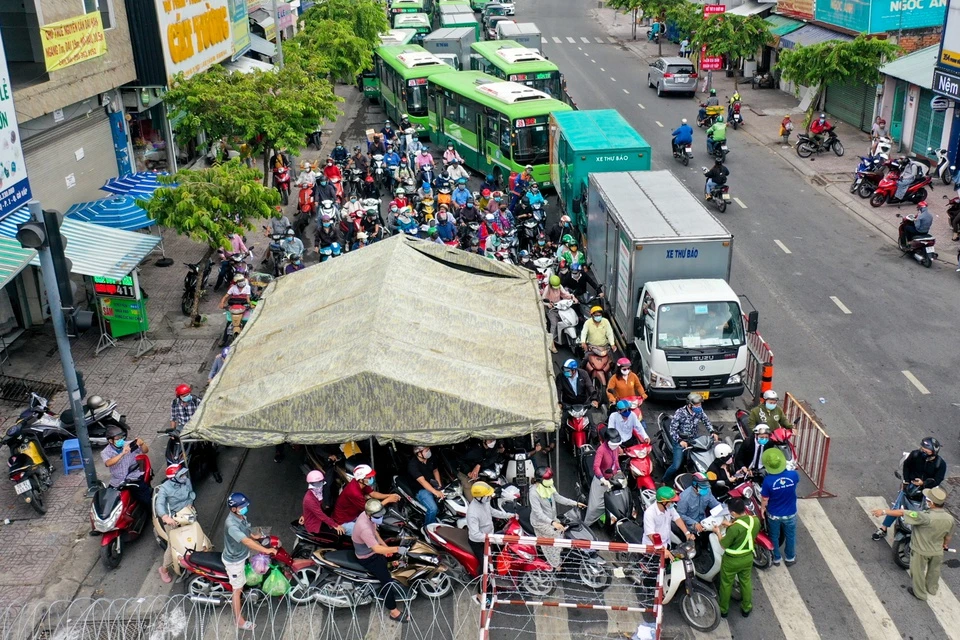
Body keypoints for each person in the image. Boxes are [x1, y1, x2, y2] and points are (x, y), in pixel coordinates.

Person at [871, 486, 955, 601]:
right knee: (934, 571)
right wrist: (944, 545)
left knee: (918, 572)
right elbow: (948, 537)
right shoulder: (949, 519)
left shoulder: (924, 516)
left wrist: (883, 511)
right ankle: (932, 588)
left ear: (931, 503)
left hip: (921, 550)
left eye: (928, 499)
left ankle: (920, 594)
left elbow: (902, 512)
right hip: (937, 551)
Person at [872, 437, 946, 540]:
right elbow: (906, 466)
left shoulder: (940, 464)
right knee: (897, 506)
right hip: (910, 486)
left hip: (927, 490)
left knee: (928, 512)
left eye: (926, 450)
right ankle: (883, 528)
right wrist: (906, 481)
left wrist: (924, 483)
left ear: (934, 451)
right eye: (922, 448)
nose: (923, 450)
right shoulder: (915, 455)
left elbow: (938, 479)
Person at [222, 492, 276, 631]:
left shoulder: (240, 516)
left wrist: (256, 536)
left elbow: (247, 532)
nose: (245, 508)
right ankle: (239, 621)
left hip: (242, 555)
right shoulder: (231, 525)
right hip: (234, 561)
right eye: (242, 506)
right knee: (237, 589)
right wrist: (265, 550)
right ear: (234, 509)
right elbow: (246, 541)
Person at [352, 499, 408, 622]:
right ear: (369, 514)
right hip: (368, 557)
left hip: (373, 549)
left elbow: (375, 533)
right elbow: (376, 549)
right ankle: (393, 611)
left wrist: (386, 547)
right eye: (378, 516)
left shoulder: (367, 515)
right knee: (386, 581)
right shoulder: (364, 528)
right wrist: (397, 549)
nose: (380, 517)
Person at [529, 467, 584, 567]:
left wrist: (575, 503)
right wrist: (552, 523)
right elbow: (538, 513)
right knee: (554, 541)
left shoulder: (549, 486)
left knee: (563, 532)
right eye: (548, 479)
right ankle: (555, 564)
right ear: (540, 480)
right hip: (541, 523)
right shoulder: (533, 493)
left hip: (552, 519)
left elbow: (558, 497)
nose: (550, 481)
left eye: (550, 478)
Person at [715, 497, 760, 618]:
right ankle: (746, 608)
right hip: (748, 557)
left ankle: (723, 610)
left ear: (733, 513)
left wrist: (718, 532)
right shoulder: (754, 521)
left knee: (726, 584)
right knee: (745, 582)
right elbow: (745, 531)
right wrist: (730, 524)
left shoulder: (734, 528)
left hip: (731, 561)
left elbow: (723, 544)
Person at [663, 393, 717, 486]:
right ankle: (664, 480)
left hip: (694, 439)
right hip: (680, 441)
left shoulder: (699, 411)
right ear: (689, 405)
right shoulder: (680, 413)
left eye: (700, 405)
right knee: (676, 466)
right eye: (697, 405)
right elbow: (673, 430)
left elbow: (706, 421)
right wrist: (680, 441)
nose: (699, 407)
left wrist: (712, 432)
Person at [155, 463, 197, 583]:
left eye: (184, 474)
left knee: (194, 537)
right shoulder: (165, 488)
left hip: (188, 514)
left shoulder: (186, 481)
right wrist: (165, 517)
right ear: (173, 478)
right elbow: (160, 504)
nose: (184, 476)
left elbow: (190, 493)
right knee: (173, 545)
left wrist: (190, 503)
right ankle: (163, 569)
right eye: (181, 475)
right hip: (174, 518)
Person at [760, 448, 799, 566]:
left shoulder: (767, 481)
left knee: (774, 535)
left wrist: (762, 509)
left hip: (774, 514)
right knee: (790, 536)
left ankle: (776, 558)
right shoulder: (793, 475)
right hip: (791, 513)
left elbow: (765, 499)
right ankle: (790, 558)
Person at [101, 425, 151, 506]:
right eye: (117, 439)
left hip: (133, 478)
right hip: (117, 481)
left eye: (121, 438)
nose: (120, 440)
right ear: (110, 440)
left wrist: (142, 444)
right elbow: (108, 463)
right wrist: (122, 453)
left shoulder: (129, 445)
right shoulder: (105, 452)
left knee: (146, 501)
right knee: (108, 502)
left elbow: (145, 451)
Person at [466, 482, 512, 563]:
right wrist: (493, 539)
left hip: (489, 536)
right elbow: (475, 535)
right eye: (488, 496)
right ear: (480, 497)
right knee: (485, 565)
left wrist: (509, 515)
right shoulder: (472, 513)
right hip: (479, 543)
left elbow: (493, 512)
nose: (490, 497)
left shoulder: (485, 502)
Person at [585, 427, 622, 527]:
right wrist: (602, 478)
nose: (616, 446)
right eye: (614, 444)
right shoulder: (601, 450)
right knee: (594, 507)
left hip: (613, 479)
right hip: (601, 481)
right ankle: (586, 524)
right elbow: (596, 467)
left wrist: (619, 470)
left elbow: (616, 461)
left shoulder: (616, 448)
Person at [300, 470, 344, 536]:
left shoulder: (316, 493)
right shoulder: (309, 499)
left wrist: (304, 515)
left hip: (319, 516)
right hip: (315, 524)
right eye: (316, 484)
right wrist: (335, 526)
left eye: (320, 482)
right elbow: (320, 515)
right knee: (336, 534)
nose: (319, 486)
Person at [409, 446, 444, 525]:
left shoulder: (431, 458)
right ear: (419, 453)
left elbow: (435, 470)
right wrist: (435, 491)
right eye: (427, 450)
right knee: (433, 509)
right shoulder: (413, 465)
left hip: (432, 485)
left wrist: (439, 485)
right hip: (421, 489)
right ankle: (427, 528)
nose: (429, 452)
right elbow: (422, 481)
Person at [541, 275, 577, 353]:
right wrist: (548, 304)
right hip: (551, 308)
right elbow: (543, 299)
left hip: (559, 306)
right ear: (550, 284)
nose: (556, 288)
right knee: (554, 323)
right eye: (555, 287)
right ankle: (551, 343)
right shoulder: (547, 288)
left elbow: (564, 294)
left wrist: (571, 297)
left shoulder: (559, 286)